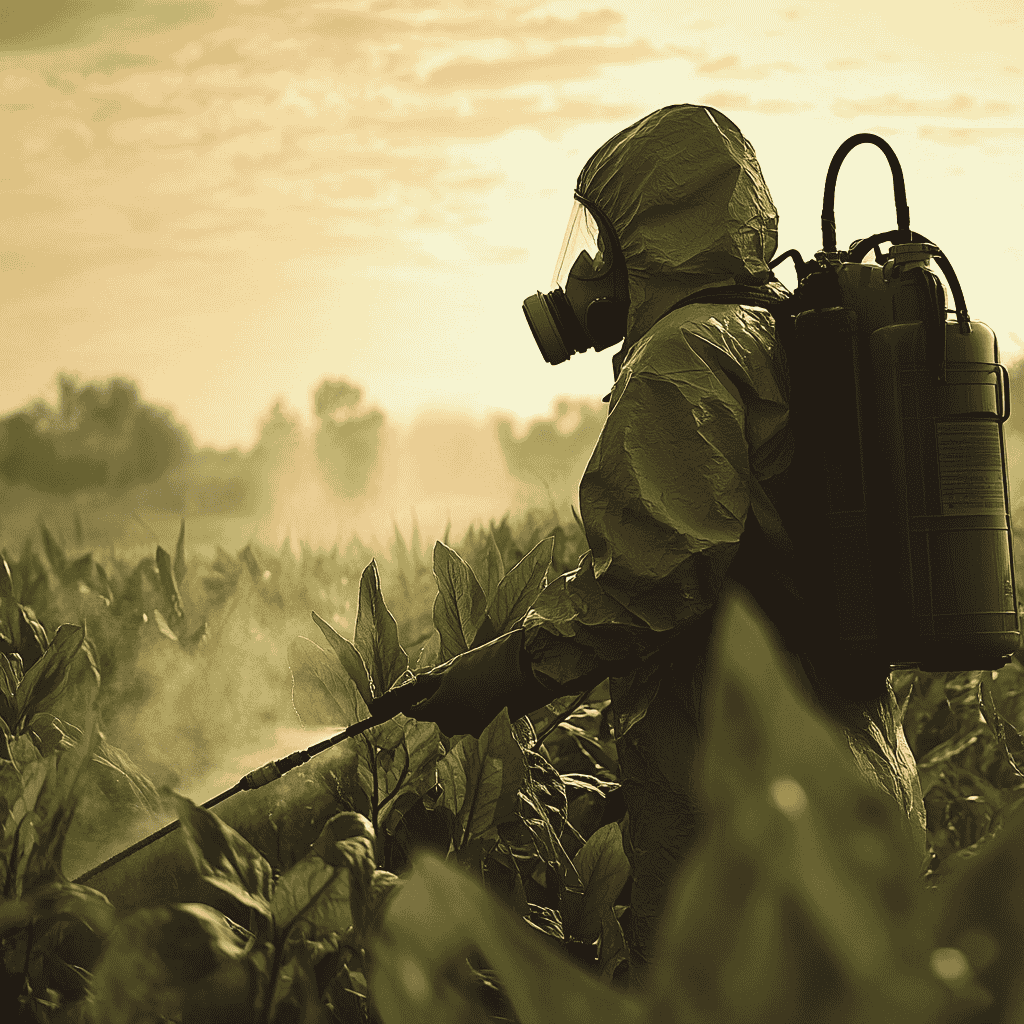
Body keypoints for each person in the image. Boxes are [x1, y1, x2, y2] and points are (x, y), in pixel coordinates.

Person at [403, 104, 927, 987]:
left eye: (609, 241)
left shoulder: (682, 357)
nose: (589, 271)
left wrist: (506, 671)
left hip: (752, 813)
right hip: (856, 774)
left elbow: (652, 581)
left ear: (660, 238)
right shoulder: (776, 335)